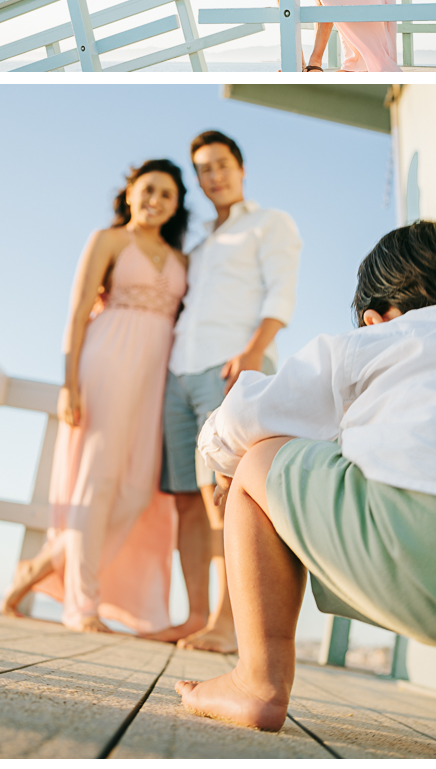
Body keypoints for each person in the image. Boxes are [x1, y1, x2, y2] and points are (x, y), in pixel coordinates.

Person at [177, 221, 436, 759]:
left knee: (260, 458)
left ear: (375, 319)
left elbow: (243, 416)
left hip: (429, 558)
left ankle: (257, 681)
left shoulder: (383, 339)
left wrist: (225, 464)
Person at [1, 160, 189, 633]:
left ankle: (41, 564)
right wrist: (69, 382)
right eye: (148, 189)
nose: (155, 200)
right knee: (97, 483)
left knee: (137, 492)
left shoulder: (183, 258)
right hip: (107, 361)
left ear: (176, 204)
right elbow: (78, 311)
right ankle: (81, 606)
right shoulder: (107, 240)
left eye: (167, 194)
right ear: (129, 192)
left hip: (155, 376)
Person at [141, 131, 301, 653]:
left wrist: (255, 351)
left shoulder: (269, 223)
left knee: (226, 496)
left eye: (222, 164)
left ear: (241, 167)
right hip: (179, 371)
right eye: (204, 169)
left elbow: (282, 291)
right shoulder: (200, 242)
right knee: (188, 500)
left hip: (231, 368)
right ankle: (195, 617)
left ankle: (229, 624)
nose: (214, 175)